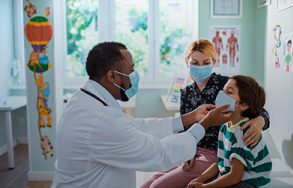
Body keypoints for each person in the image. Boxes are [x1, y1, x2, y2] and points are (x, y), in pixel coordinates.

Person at [51, 42, 232, 188]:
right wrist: (205, 123)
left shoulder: (86, 101)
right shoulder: (98, 120)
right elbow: (160, 154)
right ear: (112, 76)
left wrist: (190, 118)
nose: (135, 75)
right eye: (131, 70)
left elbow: (137, 126)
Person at [141, 39, 270, 188]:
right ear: (187, 63)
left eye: (206, 62)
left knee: (157, 186)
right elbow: (184, 128)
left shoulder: (226, 85)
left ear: (213, 62)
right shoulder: (187, 92)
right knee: (147, 184)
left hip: (216, 154)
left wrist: (260, 121)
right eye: (195, 63)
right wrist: (185, 152)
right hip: (191, 150)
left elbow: (257, 107)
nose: (200, 67)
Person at [187, 75, 272, 188]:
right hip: (234, 175)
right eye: (223, 89)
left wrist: (205, 187)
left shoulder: (243, 132)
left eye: (229, 92)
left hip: (251, 181)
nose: (222, 94)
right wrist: (199, 179)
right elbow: (220, 163)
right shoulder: (225, 126)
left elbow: (235, 177)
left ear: (243, 105)